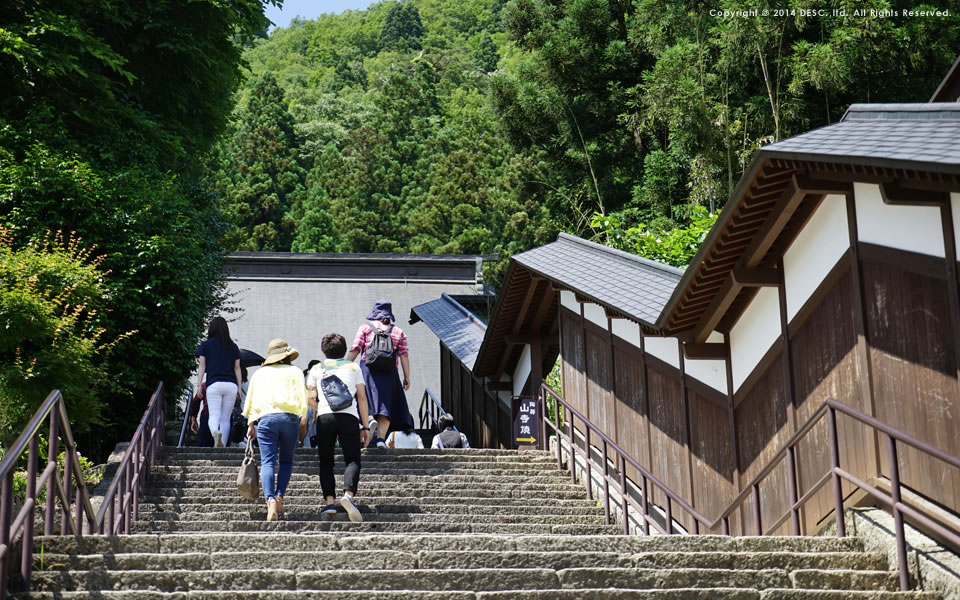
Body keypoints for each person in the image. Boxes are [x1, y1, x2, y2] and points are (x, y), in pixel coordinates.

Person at [242, 338, 309, 521]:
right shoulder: (295, 371)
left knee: (268, 461)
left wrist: (251, 424)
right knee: (286, 461)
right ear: (286, 355)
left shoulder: (259, 374)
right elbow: (302, 398)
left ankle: (270, 499)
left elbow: (251, 401)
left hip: (266, 420)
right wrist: (303, 418)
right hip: (290, 418)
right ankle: (279, 496)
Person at [307, 333, 371, 522]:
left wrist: (320, 409)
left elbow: (309, 397)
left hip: (325, 418)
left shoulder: (317, 368)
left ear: (323, 350)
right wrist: (365, 427)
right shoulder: (353, 367)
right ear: (344, 350)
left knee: (326, 461)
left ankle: (329, 503)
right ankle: (349, 496)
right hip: (349, 417)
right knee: (353, 460)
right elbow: (362, 397)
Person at [347, 300, 414, 448]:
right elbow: (404, 355)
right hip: (389, 373)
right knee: (386, 408)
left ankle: (370, 420)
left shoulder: (366, 328)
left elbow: (355, 349)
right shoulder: (398, 332)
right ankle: (381, 440)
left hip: (368, 371)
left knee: (365, 401)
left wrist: (344, 366)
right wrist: (406, 377)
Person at [195, 316, 242, 448]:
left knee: (214, 415)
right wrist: (239, 387)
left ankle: (215, 433)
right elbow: (237, 368)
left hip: (214, 384)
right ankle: (222, 447)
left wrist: (199, 386)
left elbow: (202, 366)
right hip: (231, 385)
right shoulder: (233, 346)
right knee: (225, 418)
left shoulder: (206, 345)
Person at [302, 360, 321, 448]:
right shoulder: (315, 376)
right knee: (313, 428)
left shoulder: (305, 377)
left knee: (307, 428)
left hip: (306, 404)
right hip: (313, 404)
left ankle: (307, 446)